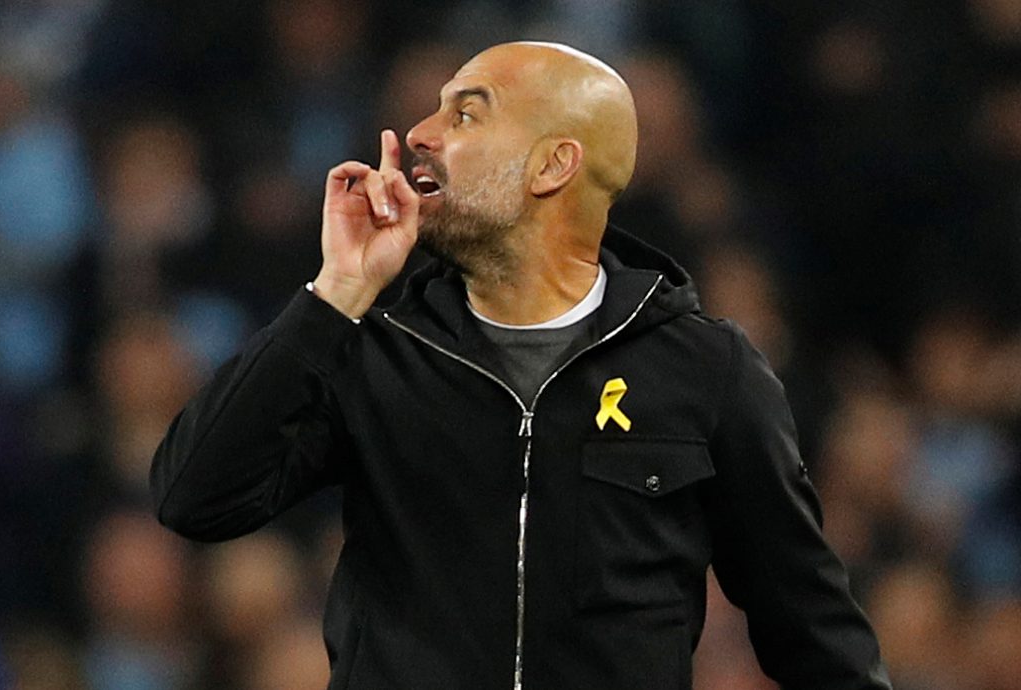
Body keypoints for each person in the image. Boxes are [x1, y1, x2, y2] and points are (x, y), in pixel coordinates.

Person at [150, 41, 891, 689]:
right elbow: (195, 498)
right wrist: (337, 291)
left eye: (466, 115)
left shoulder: (704, 367)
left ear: (553, 164)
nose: (418, 134)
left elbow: (817, 639)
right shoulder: (374, 344)